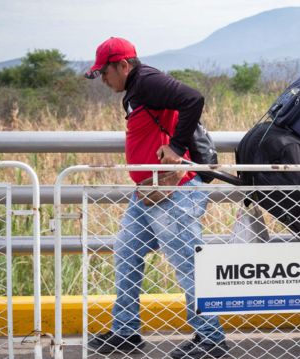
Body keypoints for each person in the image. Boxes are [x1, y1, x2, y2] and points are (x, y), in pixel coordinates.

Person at [84, 37, 228, 359]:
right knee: (126, 251)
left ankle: (210, 339)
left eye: (105, 73)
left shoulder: (146, 81)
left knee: (186, 264)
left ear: (122, 65)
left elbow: (193, 98)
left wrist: (176, 149)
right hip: (149, 194)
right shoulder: (136, 89)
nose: (104, 81)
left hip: (174, 193)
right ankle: (125, 331)